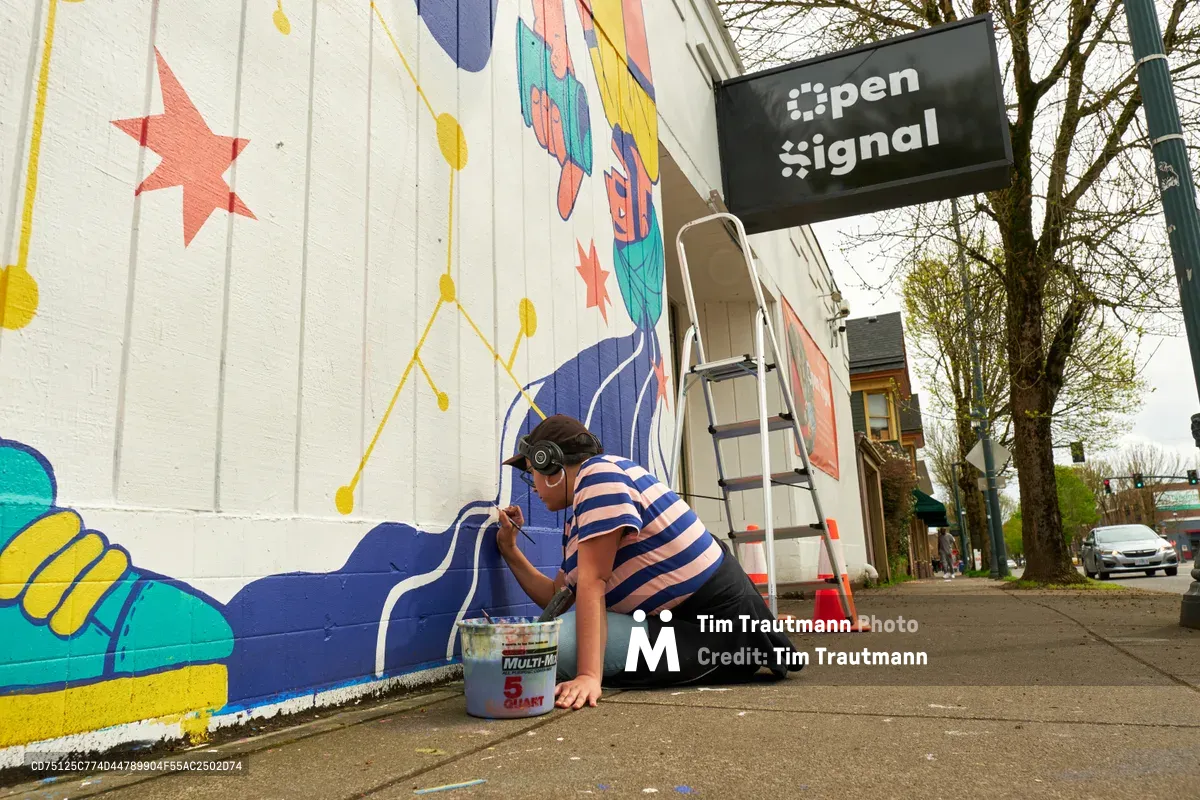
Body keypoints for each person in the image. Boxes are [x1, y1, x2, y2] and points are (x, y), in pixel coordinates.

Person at [496, 414, 803, 710]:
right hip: (681, 625)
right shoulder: (582, 511)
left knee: (545, 647)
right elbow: (556, 598)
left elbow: (593, 581)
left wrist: (589, 677)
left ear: (549, 464)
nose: (532, 486)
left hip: (713, 632)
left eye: (530, 472)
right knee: (541, 639)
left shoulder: (598, 476)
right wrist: (510, 550)